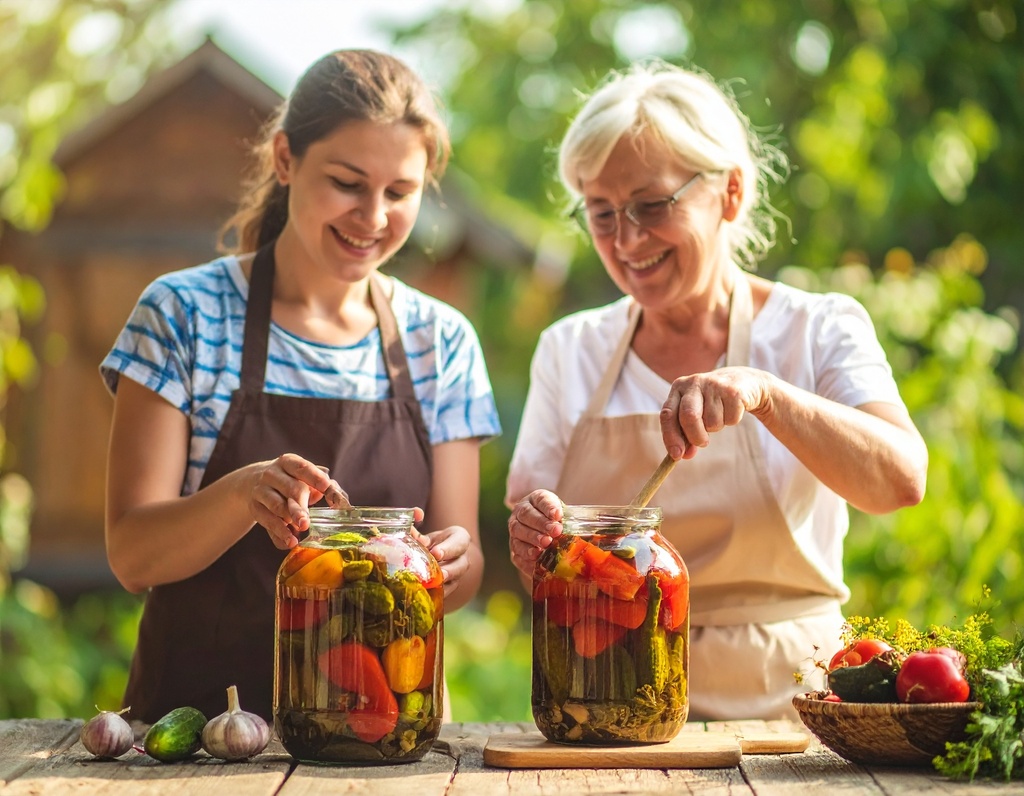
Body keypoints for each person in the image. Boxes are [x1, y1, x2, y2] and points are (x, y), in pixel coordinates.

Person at [505, 61, 927, 721]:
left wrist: (767, 395)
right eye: (602, 213)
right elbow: (532, 544)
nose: (626, 239)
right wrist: (533, 531)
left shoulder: (817, 328)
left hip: (794, 715)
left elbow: (900, 480)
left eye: (651, 205)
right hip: (609, 704)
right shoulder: (569, 348)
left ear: (730, 192)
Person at [101, 49, 500, 723]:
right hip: (197, 737)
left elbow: (465, 571)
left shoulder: (441, 340)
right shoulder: (182, 315)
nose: (373, 217)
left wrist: (454, 565)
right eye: (347, 183)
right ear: (286, 160)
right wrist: (241, 495)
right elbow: (132, 555)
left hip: (383, 736)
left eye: (399, 192)